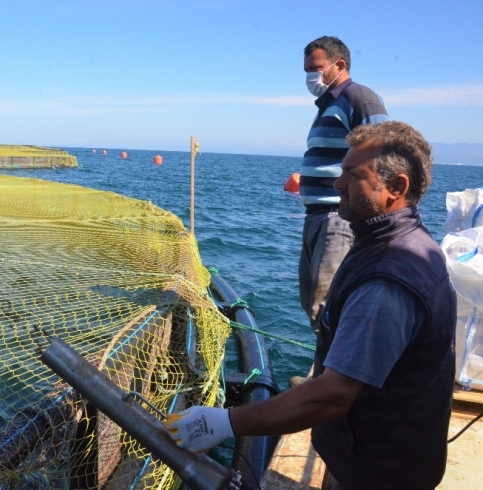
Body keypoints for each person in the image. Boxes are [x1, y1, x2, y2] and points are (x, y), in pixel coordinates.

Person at [165, 121, 456, 490]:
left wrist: (224, 423)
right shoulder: (400, 242)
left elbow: (333, 396)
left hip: (378, 474)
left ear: (396, 187)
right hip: (378, 456)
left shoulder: (389, 278)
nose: (337, 184)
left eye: (353, 174)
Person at [294, 36, 389, 386]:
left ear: (340, 66)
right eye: (306, 71)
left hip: (338, 218)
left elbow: (381, 153)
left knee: (328, 305)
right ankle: (324, 377)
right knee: (313, 301)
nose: (310, 78)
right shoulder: (326, 105)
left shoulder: (357, 98)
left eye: (315, 69)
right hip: (316, 217)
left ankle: (333, 387)